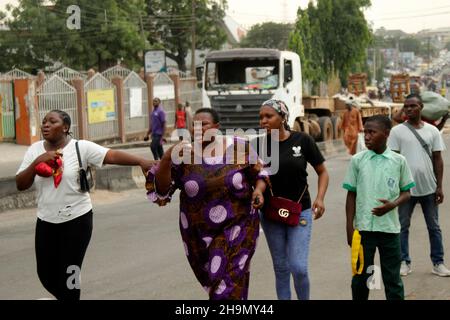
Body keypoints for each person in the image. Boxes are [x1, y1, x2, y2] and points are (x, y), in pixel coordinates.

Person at [15, 110, 155, 300]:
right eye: (44, 122)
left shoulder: (81, 147)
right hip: (46, 220)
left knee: (71, 271)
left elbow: (111, 155)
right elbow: (21, 184)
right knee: (45, 274)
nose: (45, 125)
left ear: (65, 127)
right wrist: (37, 162)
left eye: (52, 122)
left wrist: (141, 161)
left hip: (77, 220)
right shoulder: (34, 150)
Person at [145, 108, 268, 300]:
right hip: (199, 236)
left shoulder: (238, 147)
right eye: (194, 125)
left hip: (239, 227)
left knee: (222, 288)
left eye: (204, 125)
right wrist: (168, 158)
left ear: (217, 127)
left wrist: (259, 190)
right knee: (226, 284)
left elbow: (260, 173)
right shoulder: (183, 155)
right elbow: (162, 191)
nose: (198, 129)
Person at [258, 99, 329, 300]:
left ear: (282, 118)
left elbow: (322, 172)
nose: (263, 121)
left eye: (268, 116)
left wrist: (320, 198)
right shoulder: (257, 145)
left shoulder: (303, 140)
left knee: (298, 267)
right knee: (281, 268)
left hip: (301, 210)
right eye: (261, 117)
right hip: (270, 214)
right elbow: (254, 178)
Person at [343, 115, 415, 300]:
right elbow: (351, 194)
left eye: (371, 132)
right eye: (365, 132)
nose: (366, 136)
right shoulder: (358, 160)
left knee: (392, 278)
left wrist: (393, 205)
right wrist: (350, 227)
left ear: (386, 134)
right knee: (361, 277)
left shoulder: (399, 161)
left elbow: (407, 192)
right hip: (363, 230)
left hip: (389, 231)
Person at [388, 93, 450, 277]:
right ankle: (404, 261)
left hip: (429, 188)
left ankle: (438, 263)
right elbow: (393, 161)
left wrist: (439, 186)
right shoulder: (397, 131)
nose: (409, 109)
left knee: (434, 227)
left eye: (413, 106)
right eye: (406, 106)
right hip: (405, 189)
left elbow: (438, 160)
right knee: (402, 226)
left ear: (421, 107)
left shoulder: (432, 131)